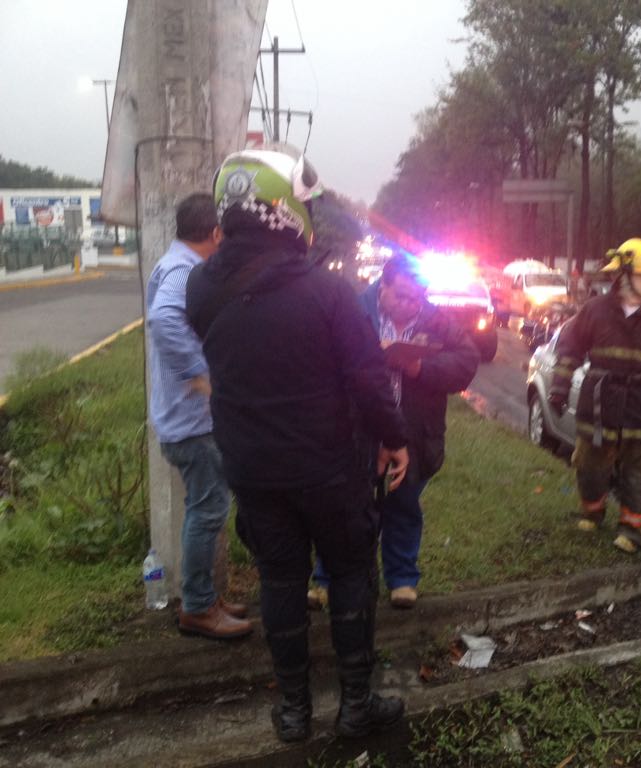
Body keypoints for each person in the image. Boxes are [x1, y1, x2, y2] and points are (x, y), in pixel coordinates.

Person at [185, 145, 410, 743]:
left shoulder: (201, 290)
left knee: (279, 583)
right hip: (330, 469)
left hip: (253, 471)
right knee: (351, 574)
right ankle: (355, 705)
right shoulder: (328, 293)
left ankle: (293, 713)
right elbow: (366, 379)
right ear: (283, 209)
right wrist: (394, 438)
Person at [145, 192, 253, 640]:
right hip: (192, 421)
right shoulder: (186, 270)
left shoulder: (171, 264)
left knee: (202, 508)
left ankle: (204, 595)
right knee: (208, 511)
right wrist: (200, 373)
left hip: (181, 418)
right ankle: (197, 607)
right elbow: (163, 319)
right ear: (214, 233)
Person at [547, 238, 641, 554]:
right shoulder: (594, 310)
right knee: (589, 465)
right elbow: (569, 351)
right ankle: (592, 512)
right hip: (600, 404)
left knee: (639, 473)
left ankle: (634, 531)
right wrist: (558, 390)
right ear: (625, 275)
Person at [360, 254, 479, 608]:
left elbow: (466, 362)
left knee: (404, 503)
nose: (410, 304)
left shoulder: (438, 320)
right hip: (362, 430)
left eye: (417, 297)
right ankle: (329, 577)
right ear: (384, 286)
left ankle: (402, 577)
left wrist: (419, 368)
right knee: (353, 506)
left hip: (416, 431)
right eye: (401, 295)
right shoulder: (355, 310)